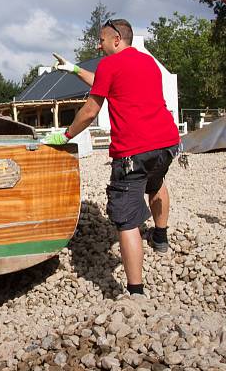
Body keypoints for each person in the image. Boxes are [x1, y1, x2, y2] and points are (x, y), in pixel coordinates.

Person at [43, 19, 180, 297]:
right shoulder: (147, 63)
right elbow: (106, 83)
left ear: (117, 39)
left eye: (101, 40)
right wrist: (74, 69)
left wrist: (66, 135)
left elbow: (90, 111)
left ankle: (136, 292)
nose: (98, 44)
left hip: (133, 150)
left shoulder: (109, 65)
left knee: (127, 219)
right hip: (167, 142)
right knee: (156, 183)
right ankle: (161, 238)